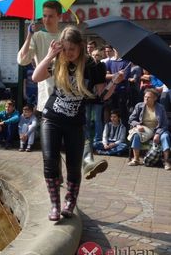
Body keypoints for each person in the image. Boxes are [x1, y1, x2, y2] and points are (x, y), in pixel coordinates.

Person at [32, 26, 119, 221]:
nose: (68, 53)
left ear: (80, 47)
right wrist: (49, 56)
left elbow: (102, 96)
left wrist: (114, 82)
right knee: (49, 162)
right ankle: (54, 205)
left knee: (73, 166)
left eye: (72, 49)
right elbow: (35, 77)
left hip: (75, 123)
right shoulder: (57, 61)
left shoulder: (93, 67)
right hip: (51, 118)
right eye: (65, 48)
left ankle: (69, 202)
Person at [17, 0, 109, 180]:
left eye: (51, 15)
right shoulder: (38, 37)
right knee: (52, 150)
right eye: (44, 15)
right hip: (48, 97)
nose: (46, 19)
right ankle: (58, 181)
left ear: (60, 16)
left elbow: (81, 59)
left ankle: (83, 164)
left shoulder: (65, 36)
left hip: (72, 95)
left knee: (76, 135)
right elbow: (22, 60)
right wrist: (29, 35)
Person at [128, 88, 171, 170]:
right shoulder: (139, 106)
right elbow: (131, 119)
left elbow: (165, 124)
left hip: (158, 129)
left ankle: (166, 161)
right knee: (136, 135)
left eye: (149, 97)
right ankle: (136, 159)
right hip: (145, 130)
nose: (146, 99)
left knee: (165, 137)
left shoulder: (160, 108)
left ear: (155, 98)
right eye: (145, 97)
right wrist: (137, 125)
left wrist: (158, 133)